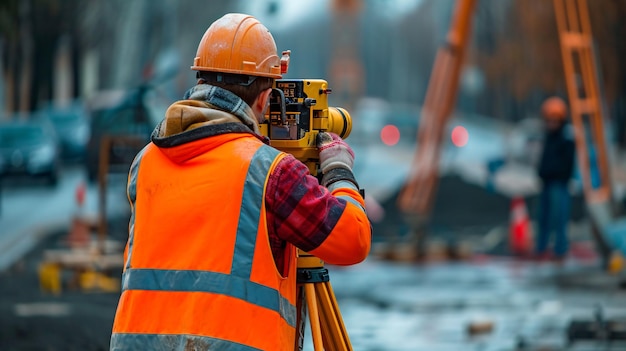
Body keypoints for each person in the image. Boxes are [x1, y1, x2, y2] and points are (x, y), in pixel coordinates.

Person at [109, 13, 371, 351]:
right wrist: (338, 170)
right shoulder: (270, 173)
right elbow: (354, 239)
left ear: (199, 79)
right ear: (264, 98)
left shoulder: (145, 161)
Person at [535, 96, 576, 262]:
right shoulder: (548, 139)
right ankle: (541, 248)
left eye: (554, 120)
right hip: (546, 184)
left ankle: (560, 250)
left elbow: (567, 166)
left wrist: (557, 176)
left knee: (559, 219)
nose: (551, 123)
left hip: (559, 185)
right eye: (549, 120)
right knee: (543, 218)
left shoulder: (566, 142)